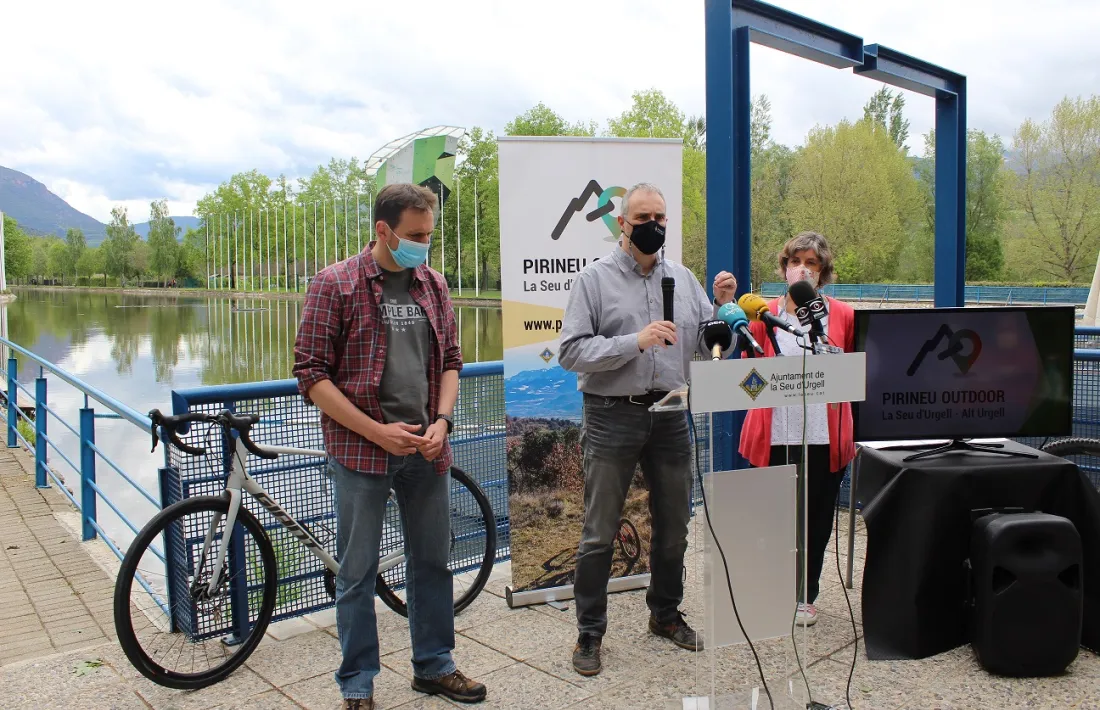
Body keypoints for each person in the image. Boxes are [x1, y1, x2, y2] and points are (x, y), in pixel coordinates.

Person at [292, 183, 487, 710]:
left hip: (427, 448)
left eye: (430, 234)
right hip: (362, 454)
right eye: (416, 235)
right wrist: (376, 432)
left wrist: (442, 421)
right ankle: (357, 684)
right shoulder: (335, 284)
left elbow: (451, 360)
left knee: (433, 563)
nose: (425, 245)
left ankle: (434, 666)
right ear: (384, 230)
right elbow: (310, 376)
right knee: (356, 573)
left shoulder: (433, 285)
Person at [558, 182, 738, 676]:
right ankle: (590, 632)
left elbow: (707, 348)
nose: (653, 226)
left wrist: (721, 314)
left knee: (675, 524)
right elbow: (571, 352)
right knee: (599, 532)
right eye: (642, 218)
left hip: (671, 413)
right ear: (622, 223)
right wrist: (631, 343)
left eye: (660, 217)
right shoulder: (593, 281)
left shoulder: (682, 277)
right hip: (612, 414)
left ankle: (664, 614)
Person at [738, 230, 856, 627]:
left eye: (812, 263)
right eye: (795, 261)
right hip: (774, 433)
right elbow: (744, 364)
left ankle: (806, 594)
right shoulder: (763, 316)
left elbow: (853, 371)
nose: (802, 268)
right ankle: (772, 587)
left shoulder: (842, 315)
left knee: (817, 517)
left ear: (823, 273)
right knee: (773, 514)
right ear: (784, 267)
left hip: (824, 433)